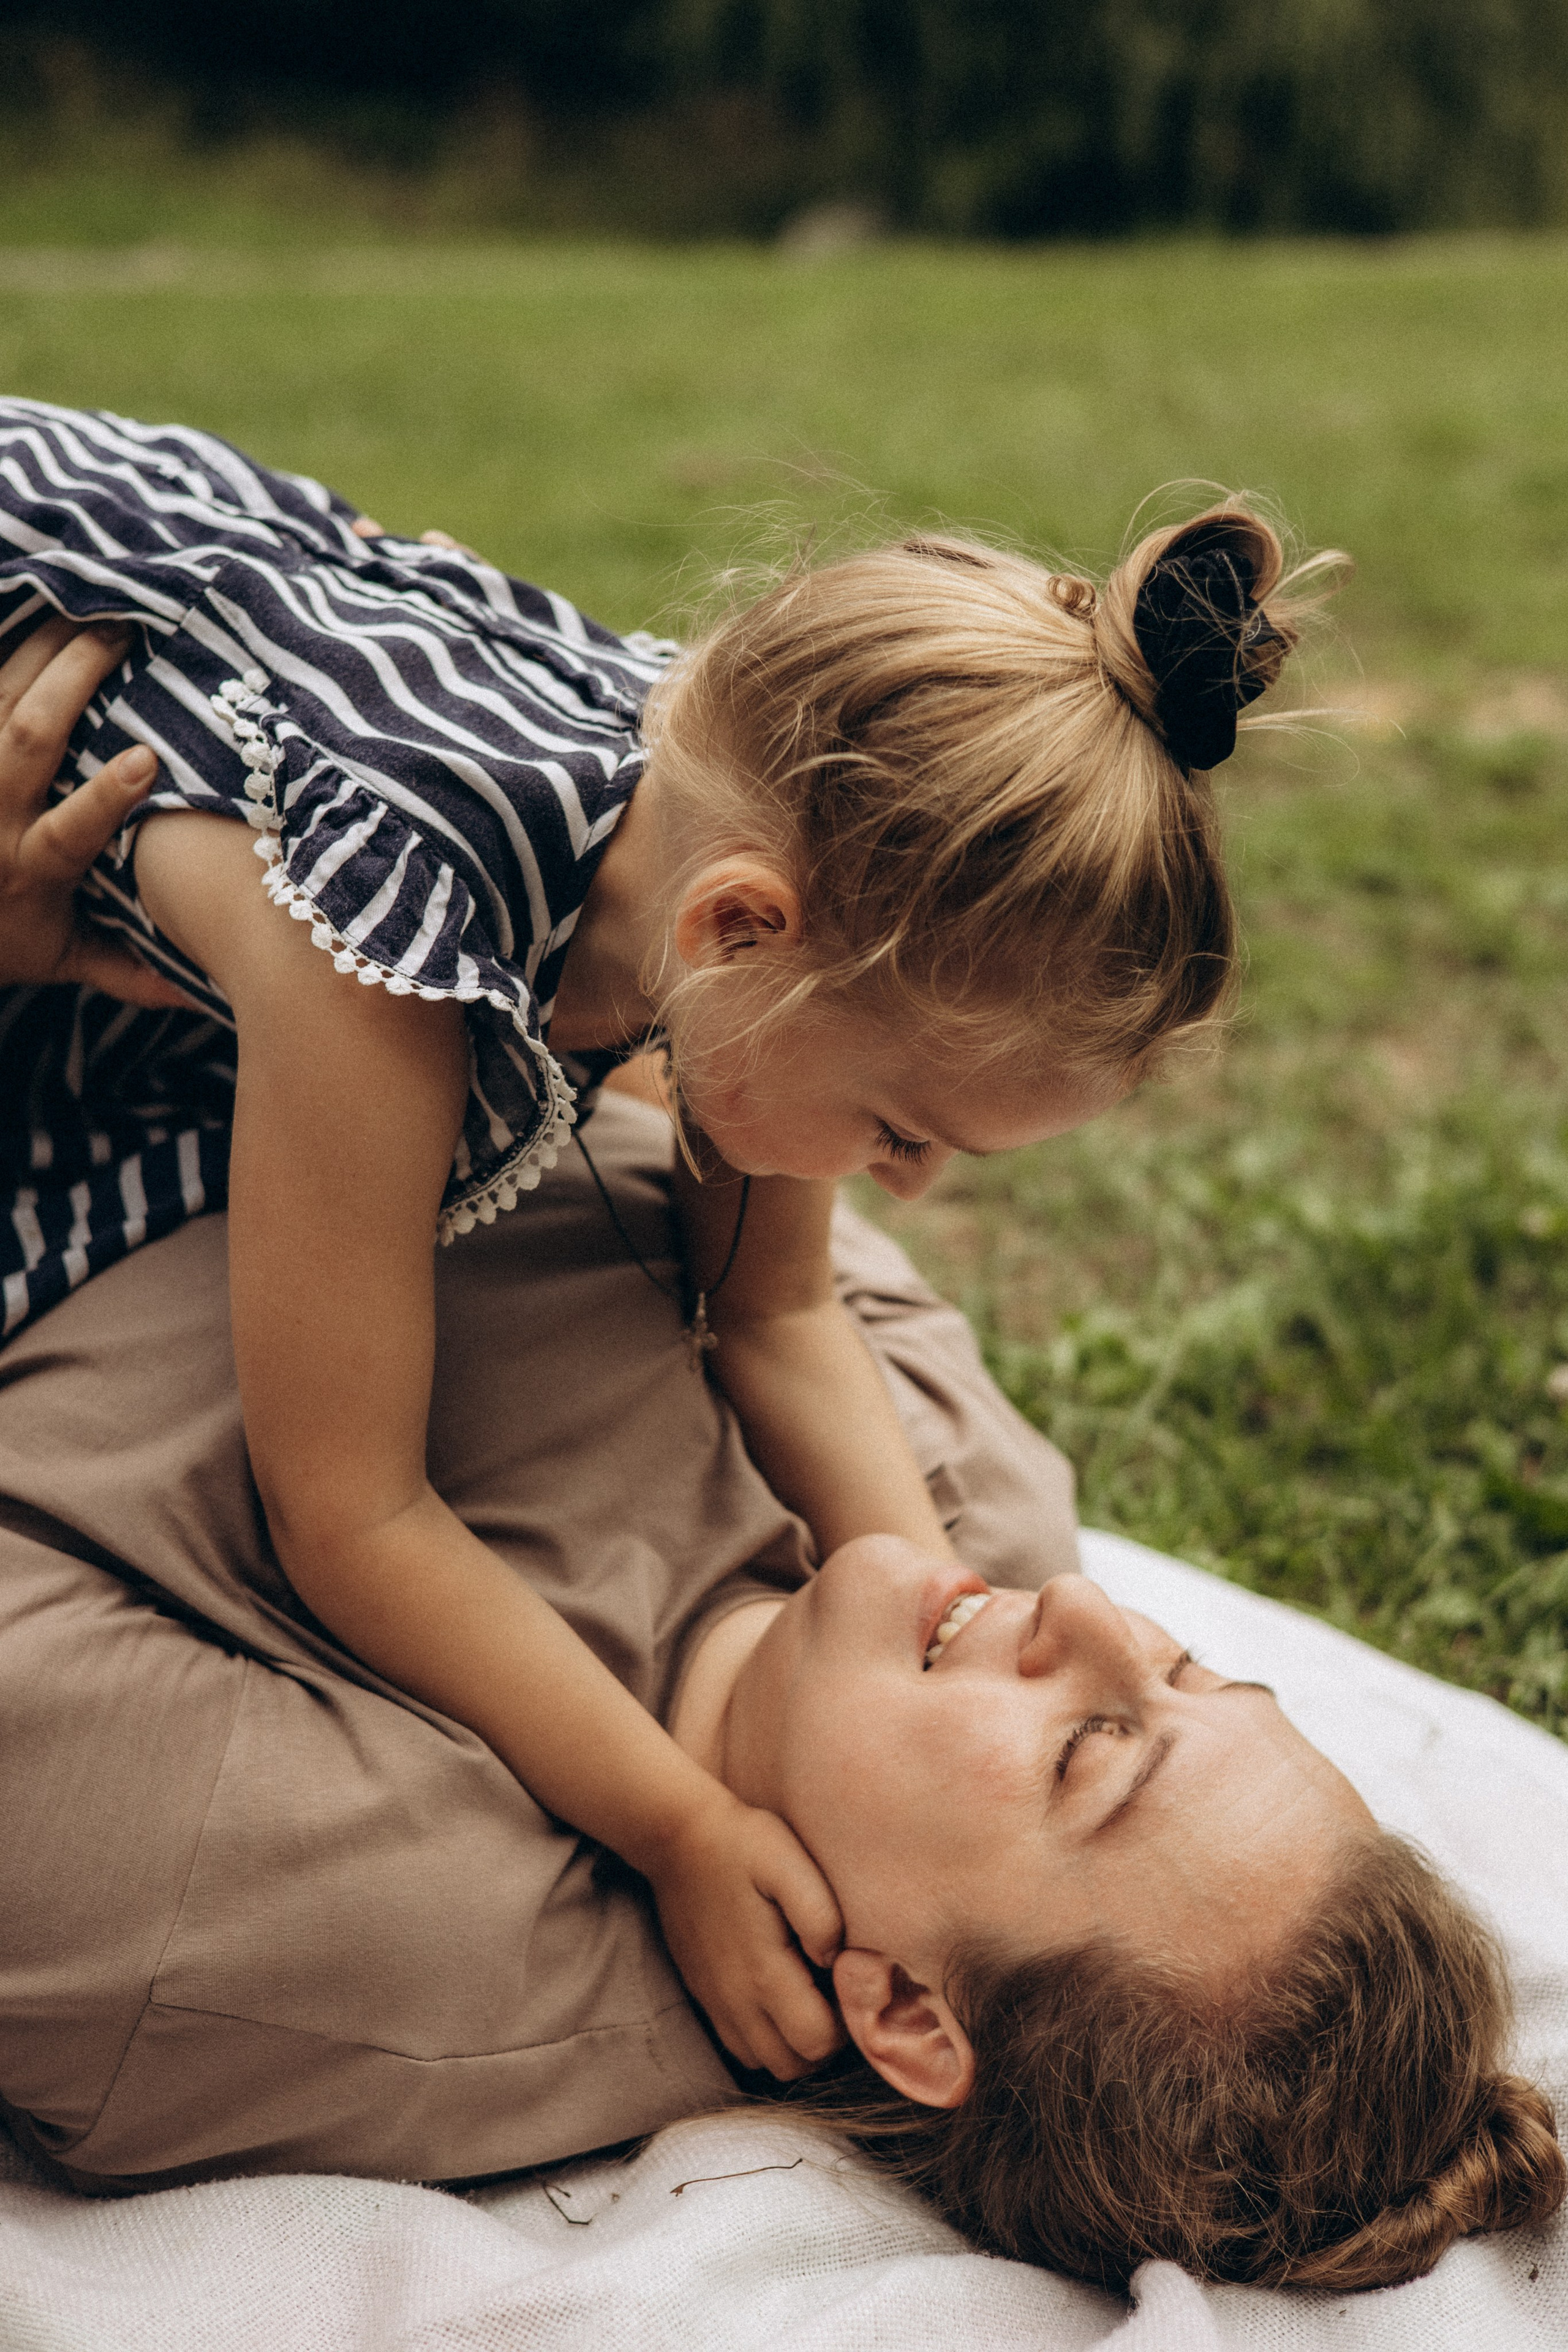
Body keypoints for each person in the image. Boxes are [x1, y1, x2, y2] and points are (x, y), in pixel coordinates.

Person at [1, 411, 1561, 2288]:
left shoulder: (343, 1918)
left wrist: (699, 1834)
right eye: (1183, 1662)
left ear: (905, 2013)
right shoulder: (519, 917)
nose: (1070, 1613)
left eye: (1089, 1748)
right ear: (744, 931)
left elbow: (707, 1330)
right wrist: (732, 1781)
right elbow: (693, 1342)